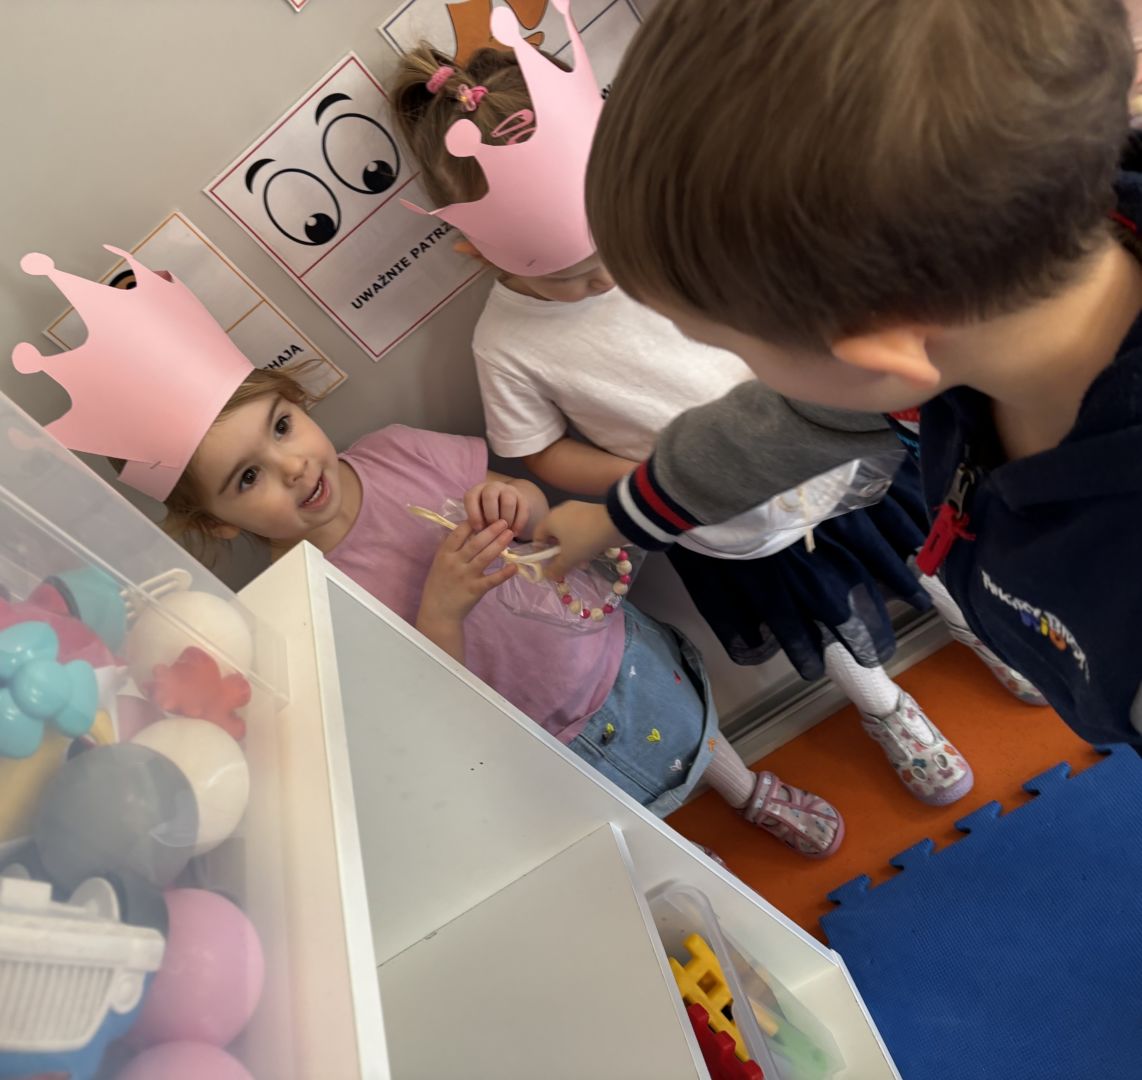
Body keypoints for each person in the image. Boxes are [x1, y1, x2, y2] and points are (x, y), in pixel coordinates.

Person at [10, 248, 844, 860]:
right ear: (221, 522)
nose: (294, 466)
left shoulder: (397, 449)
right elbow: (418, 710)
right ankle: (688, 860)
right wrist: (441, 607)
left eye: (283, 427)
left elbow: (526, 502)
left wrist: (515, 505)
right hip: (544, 739)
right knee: (634, 822)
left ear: (300, 404)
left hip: (609, 649)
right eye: (249, 477)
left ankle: (748, 790)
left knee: (698, 734)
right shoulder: (301, 601)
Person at [385, 25, 1001, 807]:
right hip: (718, 519)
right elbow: (538, 450)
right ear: (478, 252)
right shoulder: (504, 342)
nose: (605, 279)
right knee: (818, 616)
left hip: (821, 446)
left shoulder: (666, 228)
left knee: (921, 544)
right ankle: (885, 706)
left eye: (610, 249)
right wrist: (645, 477)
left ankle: (980, 624)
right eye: (572, 278)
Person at [536, 0, 1142, 745]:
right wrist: (614, 516)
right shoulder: (972, 319)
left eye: (743, 349)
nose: (757, 378)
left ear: (879, 353)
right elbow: (776, 429)